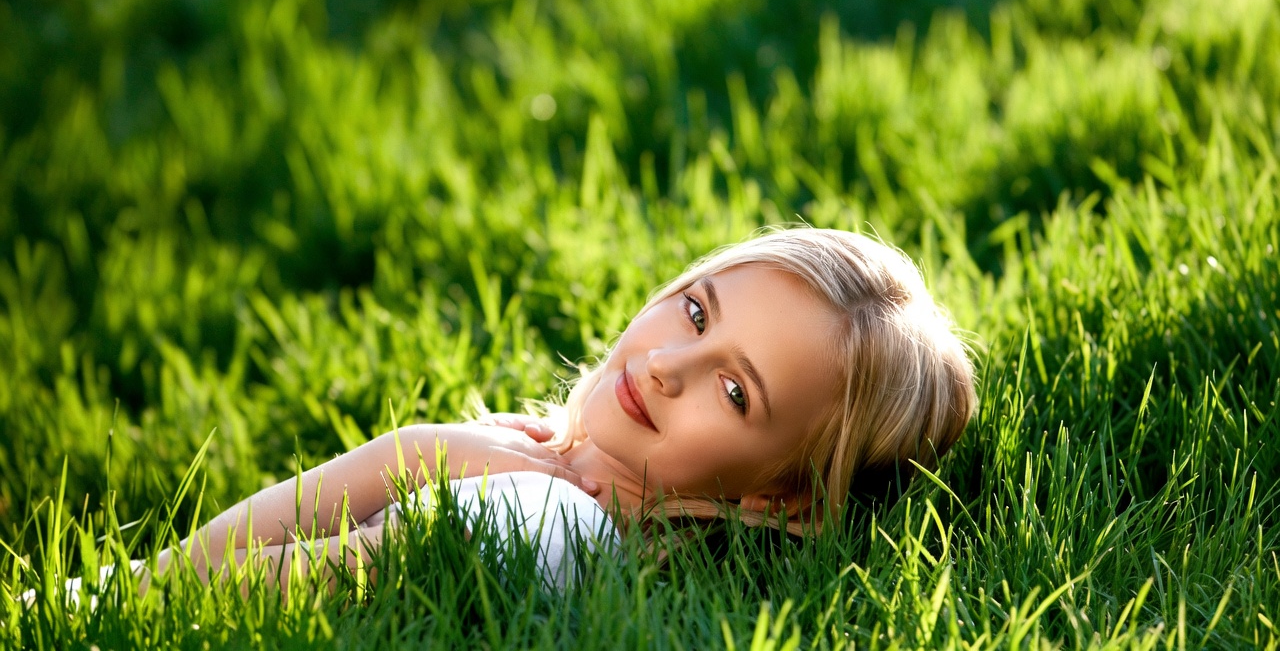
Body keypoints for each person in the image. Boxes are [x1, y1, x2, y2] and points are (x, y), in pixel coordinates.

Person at [43, 226, 977, 600]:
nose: (664, 367)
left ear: (782, 500)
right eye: (695, 311)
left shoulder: (545, 524)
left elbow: (216, 598)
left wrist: (427, 451)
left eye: (737, 394)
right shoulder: (539, 479)